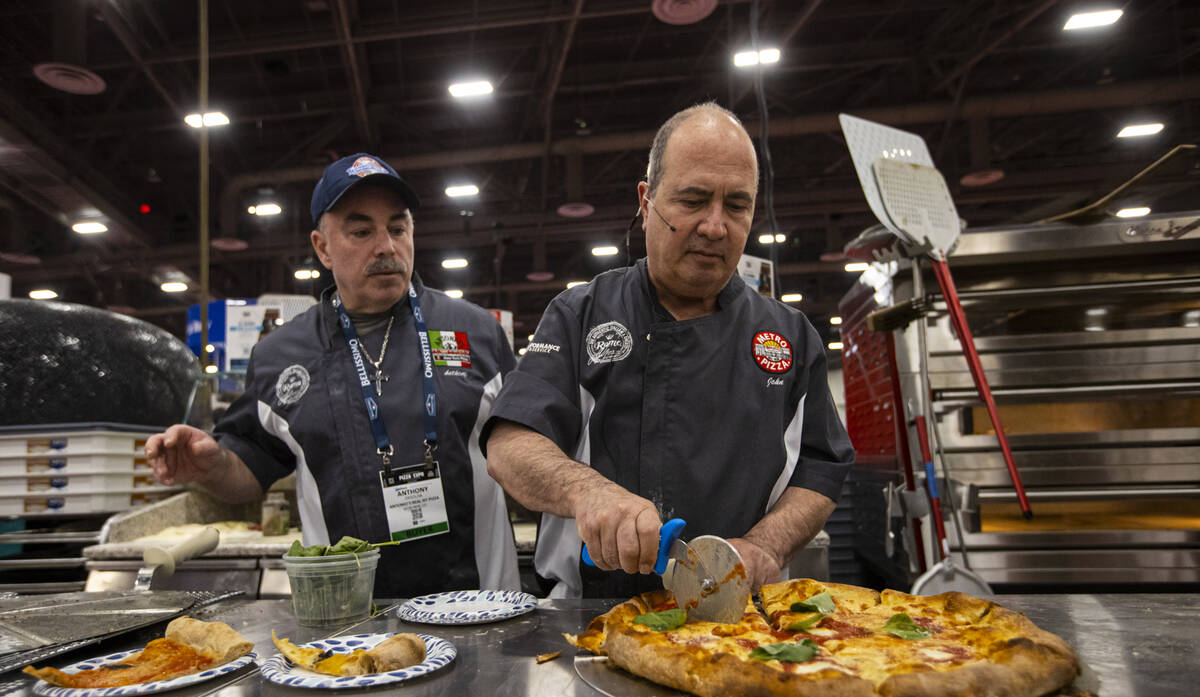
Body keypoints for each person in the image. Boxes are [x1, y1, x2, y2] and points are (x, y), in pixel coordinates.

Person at [483, 103, 854, 598]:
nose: (716, 226)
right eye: (694, 199)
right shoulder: (581, 313)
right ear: (646, 199)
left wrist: (766, 545)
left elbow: (821, 466)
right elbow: (510, 446)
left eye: (737, 205)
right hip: (587, 615)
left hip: (738, 617)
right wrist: (588, 492)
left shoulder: (791, 336)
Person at [146, 153, 519, 598]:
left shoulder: (476, 333)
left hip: (479, 606)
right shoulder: (279, 356)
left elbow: (530, 445)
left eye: (397, 228)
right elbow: (250, 465)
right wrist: (210, 465)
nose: (386, 246)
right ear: (322, 247)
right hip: (344, 617)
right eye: (362, 231)